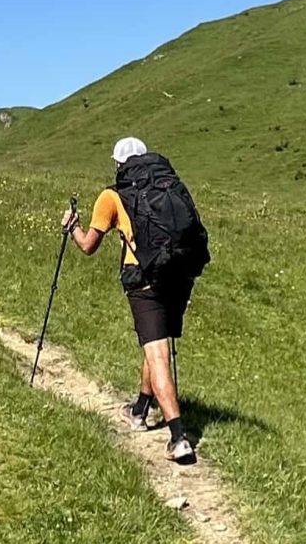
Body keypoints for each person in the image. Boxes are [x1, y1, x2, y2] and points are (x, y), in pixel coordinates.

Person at [61, 136, 210, 464]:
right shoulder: (170, 185)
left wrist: (72, 227)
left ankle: (178, 437)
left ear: (118, 164)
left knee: (156, 355)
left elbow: (88, 246)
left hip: (145, 280)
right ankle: (140, 409)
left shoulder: (112, 195)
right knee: (156, 344)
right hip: (181, 273)